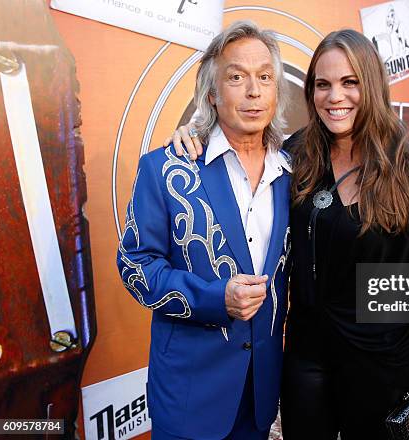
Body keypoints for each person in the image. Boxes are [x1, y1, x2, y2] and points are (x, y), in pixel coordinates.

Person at [167, 29, 409, 440]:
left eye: (350, 82)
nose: (336, 97)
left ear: (371, 85)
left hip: (380, 360)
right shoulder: (295, 156)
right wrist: (193, 131)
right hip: (305, 357)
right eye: (323, 85)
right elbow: (233, 146)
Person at [117, 21, 292, 440]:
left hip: (260, 393)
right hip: (189, 395)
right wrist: (218, 298)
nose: (253, 91)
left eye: (264, 77)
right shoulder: (167, 168)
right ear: (212, 93)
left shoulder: (294, 171)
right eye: (237, 77)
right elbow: (135, 266)